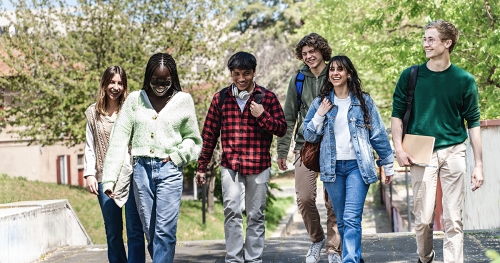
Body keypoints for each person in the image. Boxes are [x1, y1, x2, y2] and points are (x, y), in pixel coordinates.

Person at [391, 20, 483, 263]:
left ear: (447, 43)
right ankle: (426, 256)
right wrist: (398, 148)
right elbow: (397, 116)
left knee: (454, 217)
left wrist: (479, 165)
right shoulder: (411, 76)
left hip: (454, 150)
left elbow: (473, 123)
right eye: (424, 39)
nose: (425, 44)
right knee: (422, 219)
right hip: (422, 152)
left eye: (431, 39)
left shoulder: (464, 80)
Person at [102, 53, 203, 263]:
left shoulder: (183, 101)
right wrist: (109, 179)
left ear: (172, 79)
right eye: (156, 81)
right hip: (141, 171)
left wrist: (177, 156)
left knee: (165, 230)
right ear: (148, 77)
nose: (160, 86)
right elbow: (118, 140)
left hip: (170, 170)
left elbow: (194, 140)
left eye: (165, 82)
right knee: (150, 230)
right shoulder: (134, 100)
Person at [196, 51, 286, 263]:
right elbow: (209, 134)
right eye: (236, 74)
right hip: (231, 166)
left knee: (256, 215)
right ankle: (234, 259)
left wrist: (262, 115)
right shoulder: (221, 98)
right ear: (231, 74)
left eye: (246, 73)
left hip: (259, 165)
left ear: (254, 73)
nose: (241, 79)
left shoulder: (268, 98)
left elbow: (282, 129)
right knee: (232, 212)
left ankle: (253, 259)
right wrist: (202, 166)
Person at [303, 55, 394, 263]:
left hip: (358, 167)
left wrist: (388, 164)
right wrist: (319, 114)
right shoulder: (321, 102)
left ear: (349, 73)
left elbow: (378, 134)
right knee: (343, 221)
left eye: (340, 69)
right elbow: (308, 135)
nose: (335, 73)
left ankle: (350, 260)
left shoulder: (363, 101)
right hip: (332, 169)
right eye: (332, 69)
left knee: (352, 218)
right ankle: (354, 258)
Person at [277, 33, 342, 263]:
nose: (308, 57)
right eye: (304, 54)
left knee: (333, 200)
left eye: (312, 52)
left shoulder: (336, 73)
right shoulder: (298, 79)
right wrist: (282, 150)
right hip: (305, 146)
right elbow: (288, 118)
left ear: (322, 51)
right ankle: (317, 239)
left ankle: (334, 249)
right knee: (304, 197)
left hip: (335, 146)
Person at [83, 66, 146, 263]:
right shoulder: (93, 113)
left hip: (131, 176)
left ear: (124, 86)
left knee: (135, 230)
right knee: (113, 231)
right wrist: (89, 174)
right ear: (104, 84)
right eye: (112, 82)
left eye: (120, 83)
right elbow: (89, 146)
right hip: (104, 179)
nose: (115, 87)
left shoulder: (132, 110)